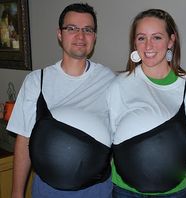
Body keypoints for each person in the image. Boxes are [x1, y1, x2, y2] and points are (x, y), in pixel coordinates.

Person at [7, 3, 115, 198]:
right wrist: (17, 193)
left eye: (87, 30)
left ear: (94, 37)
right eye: (71, 28)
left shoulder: (110, 80)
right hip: (47, 191)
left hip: (97, 191)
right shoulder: (36, 81)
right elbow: (24, 140)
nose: (80, 36)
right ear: (60, 34)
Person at [107, 9, 186, 197]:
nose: (148, 46)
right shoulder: (119, 86)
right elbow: (112, 136)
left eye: (157, 37)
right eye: (141, 38)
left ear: (171, 40)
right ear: (134, 43)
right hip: (125, 191)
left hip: (173, 192)